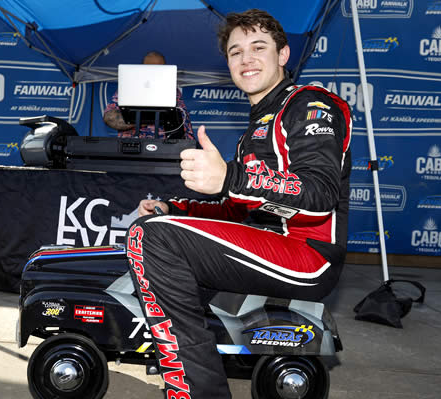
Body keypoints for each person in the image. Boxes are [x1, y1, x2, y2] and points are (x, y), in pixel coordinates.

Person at [126, 9, 351, 399]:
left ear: (283, 54)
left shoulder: (311, 105)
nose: (246, 59)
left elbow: (320, 194)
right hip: (272, 244)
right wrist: (175, 209)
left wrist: (231, 176)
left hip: (309, 255)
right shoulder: (256, 128)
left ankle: (197, 392)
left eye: (258, 47)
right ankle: (188, 364)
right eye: (235, 52)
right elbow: (240, 210)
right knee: (156, 230)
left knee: (150, 240)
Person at [103, 51, 194, 139]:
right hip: (131, 145)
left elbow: (184, 123)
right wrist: (145, 118)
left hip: (163, 147)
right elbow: (109, 118)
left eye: (158, 69)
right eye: (150, 68)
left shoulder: (172, 90)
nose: (153, 72)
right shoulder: (128, 87)